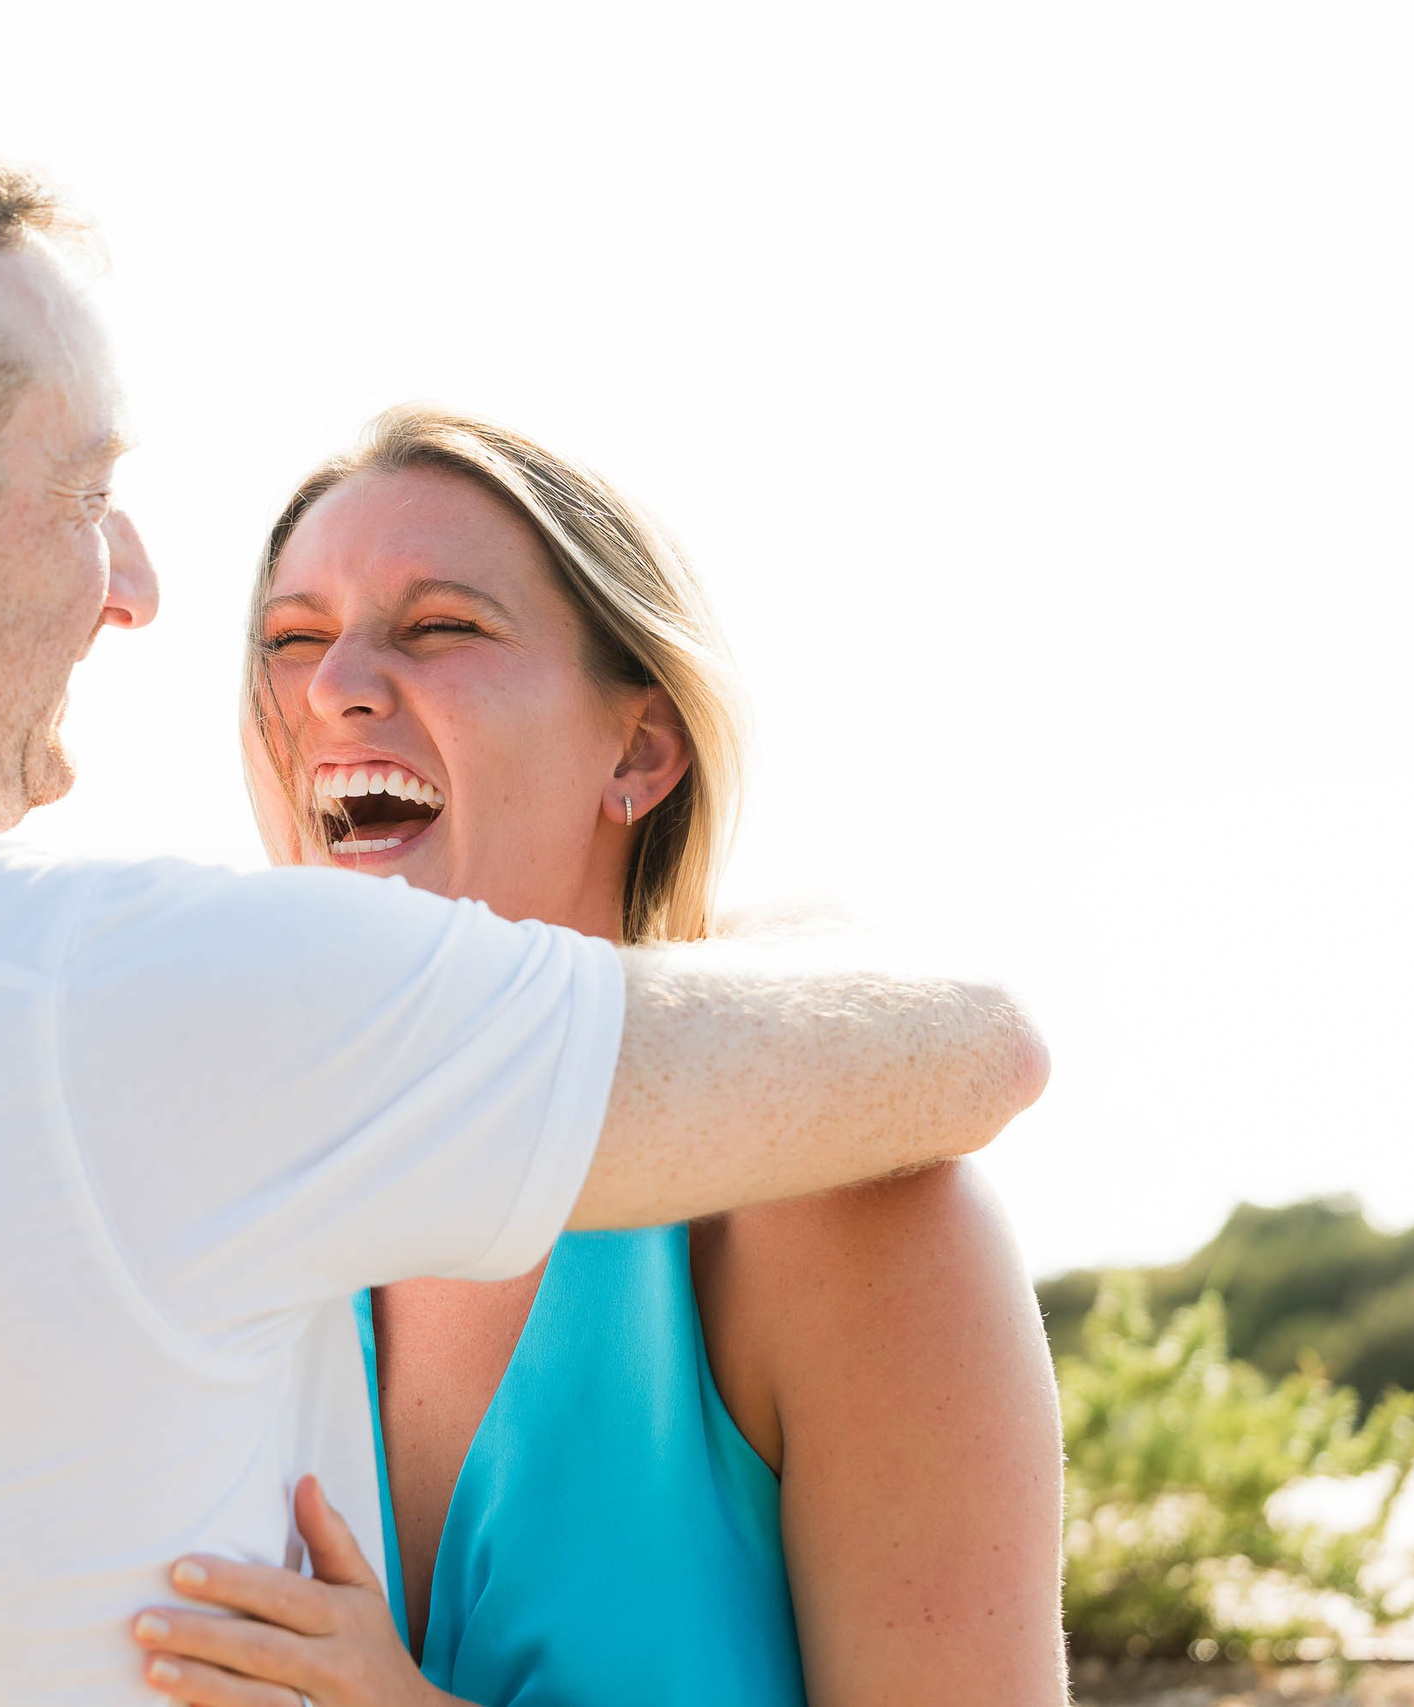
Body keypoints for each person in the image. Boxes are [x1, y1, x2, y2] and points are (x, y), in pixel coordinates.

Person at [0, 136, 1047, 1707]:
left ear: (642, 743)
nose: (137, 588)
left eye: (445, 626)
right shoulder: (184, 1078)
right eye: (83, 496)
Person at [122, 409, 1069, 1707]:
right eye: (290, 640)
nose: (331, 682)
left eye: (440, 625)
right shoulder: (215, 1201)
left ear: (639, 750)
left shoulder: (847, 1226)